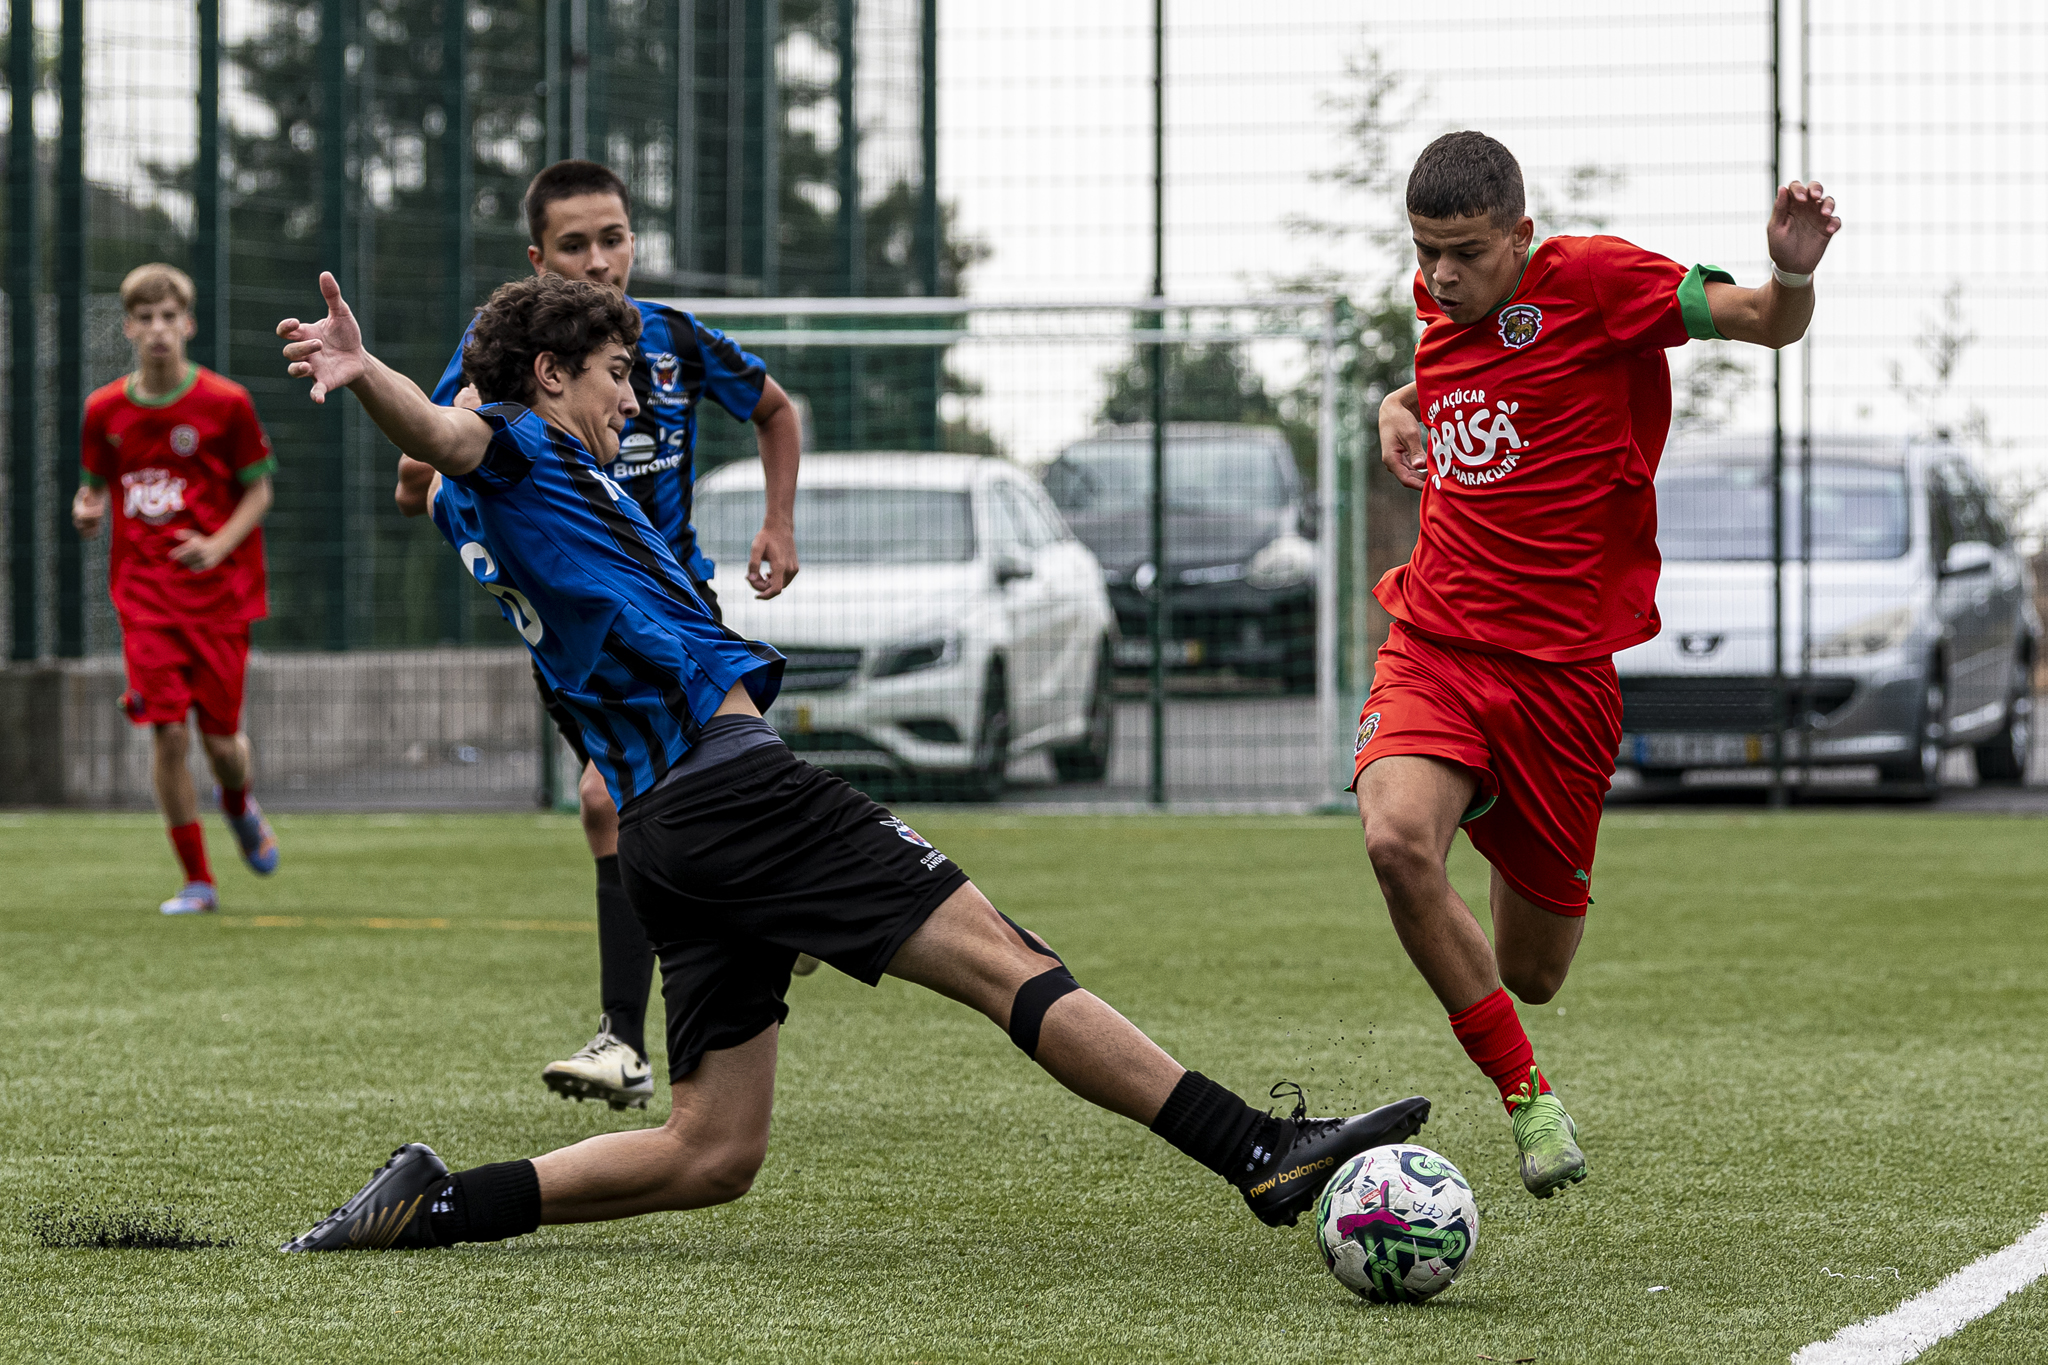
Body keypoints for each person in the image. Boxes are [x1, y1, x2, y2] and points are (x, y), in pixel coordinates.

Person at [272, 270, 1430, 1251]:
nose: (634, 397)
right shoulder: (520, 450)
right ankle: (1259, 1151)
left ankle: (439, 1203)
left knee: (712, 1149)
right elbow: (446, 435)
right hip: (728, 787)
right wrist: (367, 372)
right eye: (617, 375)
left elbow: (452, 452)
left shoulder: (557, 487)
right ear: (548, 376)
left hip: (668, 829)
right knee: (1001, 959)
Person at [1357, 131, 1840, 1199]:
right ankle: (1527, 1101)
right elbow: (1460, 369)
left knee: (1530, 971)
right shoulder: (1443, 301)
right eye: (1424, 250)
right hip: (1434, 646)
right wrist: (1400, 402)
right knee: (1394, 842)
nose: (1438, 275)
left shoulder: (1596, 281)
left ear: (1520, 236)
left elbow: (1766, 323)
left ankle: (1483, 796)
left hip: (1560, 681)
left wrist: (1791, 268)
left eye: (1465, 252)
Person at [428, 159, 804, 1111]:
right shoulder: (502, 357)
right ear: (538, 258)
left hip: (674, 613)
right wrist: (445, 456)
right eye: (575, 245)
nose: (600, 261)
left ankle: (624, 1039)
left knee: (609, 798)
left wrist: (778, 523)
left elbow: (774, 408)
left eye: (615, 238)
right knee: (640, 814)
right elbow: (426, 459)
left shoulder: (669, 339)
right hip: (576, 636)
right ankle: (764, 912)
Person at [72, 263, 282, 915]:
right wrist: (87, 511)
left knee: (221, 743)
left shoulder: (226, 403)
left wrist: (217, 545)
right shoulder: (104, 409)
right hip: (144, 598)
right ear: (129, 327)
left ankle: (240, 802)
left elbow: (259, 488)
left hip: (220, 598)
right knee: (167, 732)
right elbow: (93, 487)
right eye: (146, 318)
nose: (159, 329)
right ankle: (198, 878)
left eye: (170, 317)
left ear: (187, 325)